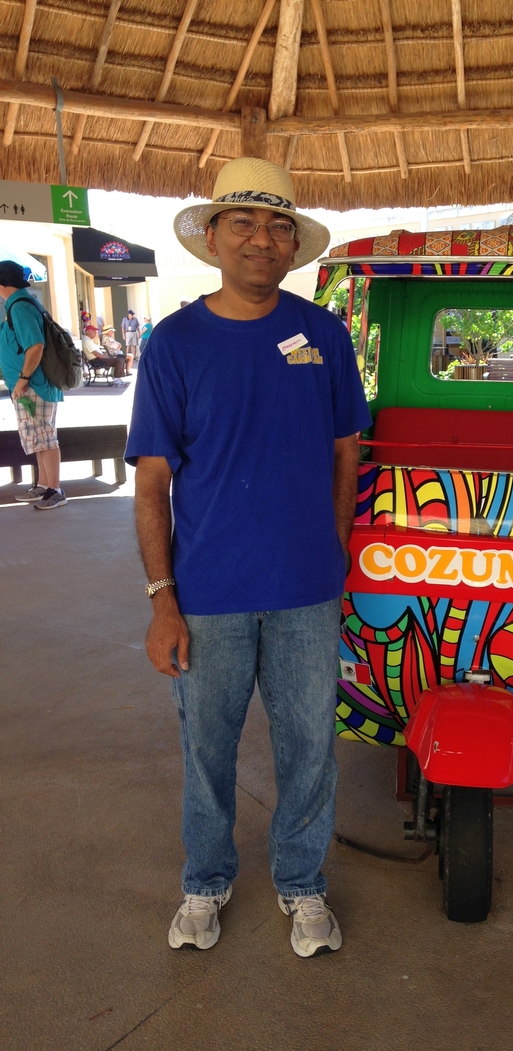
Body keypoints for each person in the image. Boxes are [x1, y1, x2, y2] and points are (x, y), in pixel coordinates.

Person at [125, 157, 369, 959]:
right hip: (209, 594)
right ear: (214, 238)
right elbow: (153, 480)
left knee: (310, 747)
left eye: (277, 227)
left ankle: (302, 883)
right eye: (244, 224)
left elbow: (346, 450)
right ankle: (207, 878)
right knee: (207, 748)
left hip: (306, 589)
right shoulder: (174, 343)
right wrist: (164, 598)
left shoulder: (323, 334)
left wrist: (332, 546)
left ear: (292, 245)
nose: (262, 239)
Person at [0, 260, 67, 509]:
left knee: (45, 437)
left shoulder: (19, 307)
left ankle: (55, 489)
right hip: (30, 387)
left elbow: (36, 346)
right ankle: (44, 484)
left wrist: (23, 379)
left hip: (34, 385)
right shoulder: (18, 304)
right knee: (38, 437)